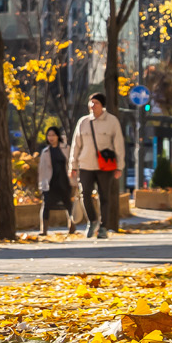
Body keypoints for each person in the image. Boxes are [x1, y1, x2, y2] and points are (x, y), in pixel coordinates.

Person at [69, 92, 125, 239]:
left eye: (96, 103)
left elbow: (118, 145)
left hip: (105, 166)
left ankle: (104, 227)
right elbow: (76, 145)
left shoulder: (112, 121)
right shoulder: (83, 122)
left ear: (102, 105)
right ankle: (92, 221)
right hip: (86, 164)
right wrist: (72, 166)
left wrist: (119, 166)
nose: (92, 105)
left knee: (104, 196)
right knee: (85, 194)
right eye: (91, 102)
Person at [35, 125, 73, 236]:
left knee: (68, 205)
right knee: (46, 205)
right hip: (50, 183)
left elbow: (72, 164)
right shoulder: (45, 152)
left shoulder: (66, 148)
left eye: (53, 135)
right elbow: (41, 170)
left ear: (58, 136)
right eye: (49, 135)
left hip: (64, 181)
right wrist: (41, 185)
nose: (51, 138)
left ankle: (72, 226)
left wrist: (74, 181)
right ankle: (44, 229)